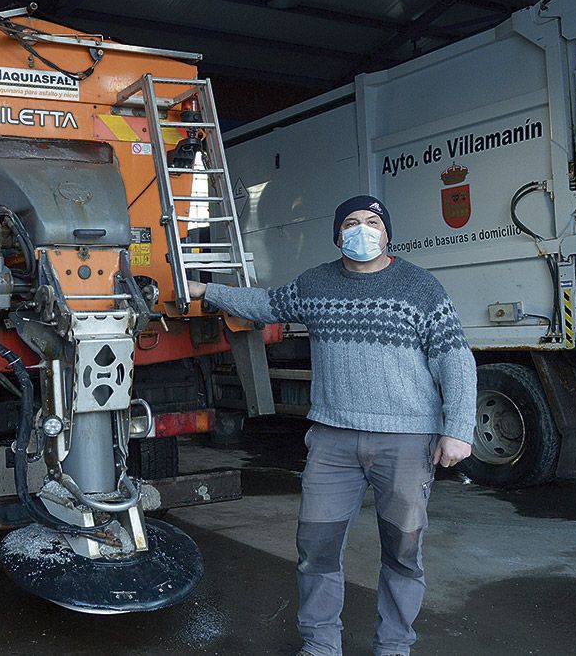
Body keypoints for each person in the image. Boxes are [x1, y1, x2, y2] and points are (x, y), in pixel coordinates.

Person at [188, 195, 476, 656]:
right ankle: (321, 645)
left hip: (404, 440)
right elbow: (265, 304)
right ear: (338, 234)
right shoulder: (317, 283)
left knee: (402, 552)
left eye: (372, 221)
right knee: (316, 549)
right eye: (352, 223)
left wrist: (458, 428)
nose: (363, 230)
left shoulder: (420, 287)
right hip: (332, 441)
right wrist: (209, 291)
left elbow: (455, 359)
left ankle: (395, 645)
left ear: (388, 232)